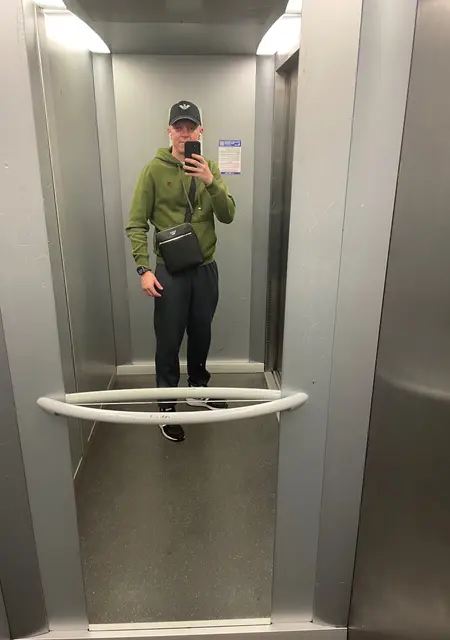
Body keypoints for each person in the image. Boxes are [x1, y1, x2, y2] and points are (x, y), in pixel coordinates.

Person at [126, 101, 236, 442]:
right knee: (169, 339)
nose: (184, 133)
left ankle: (198, 389)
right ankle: (166, 407)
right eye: (179, 127)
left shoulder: (210, 167)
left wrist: (210, 182)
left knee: (201, 333)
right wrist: (144, 269)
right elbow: (136, 223)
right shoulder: (153, 170)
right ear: (169, 131)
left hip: (205, 269)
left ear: (201, 131)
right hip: (170, 271)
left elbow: (228, 215)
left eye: (191, 127)